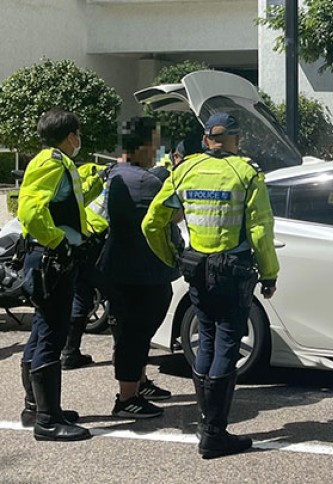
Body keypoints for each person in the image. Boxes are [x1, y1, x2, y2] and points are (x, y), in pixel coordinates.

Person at [142, 112, 279, 459]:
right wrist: (269, 273)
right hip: (233, 271)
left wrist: (172, 255)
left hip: (197, 269)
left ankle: (207, 426)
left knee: (205, 341)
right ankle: (215, 433)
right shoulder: (246, 173)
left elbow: (152, 222)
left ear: (206, 140)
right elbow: (261, 230)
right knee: (227, 344)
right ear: (235, 139)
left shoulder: (184, 170)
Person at [17, 110, 93, 441]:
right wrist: (58, 240)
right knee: (52, 333)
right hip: (51, 259)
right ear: (69, 135)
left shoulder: (57, 161)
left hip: (47, 258)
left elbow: (68, 204)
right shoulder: (51, 161)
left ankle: (36, 407)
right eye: (78, 133)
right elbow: (31, 211)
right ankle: (47, 421)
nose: (80, 139)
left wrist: (97, 183)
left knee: (42, 328)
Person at [100, 117, 179, 419]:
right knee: (136, 332)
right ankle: (127, 398)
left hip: (118, 266)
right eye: (156, 143)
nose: (158, 149)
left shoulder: (114, 173)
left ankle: (138, 383)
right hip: (140, 270)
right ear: (145, 146)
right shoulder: (147, 182)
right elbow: (174, 216)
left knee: (130, 331)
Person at [61, 162, 110, 370]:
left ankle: (69, 352)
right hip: (97, 243)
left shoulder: (81, 173)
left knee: (81, 296)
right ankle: (127, 360)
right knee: (115, 296)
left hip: (79, 241)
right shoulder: (112, 179)